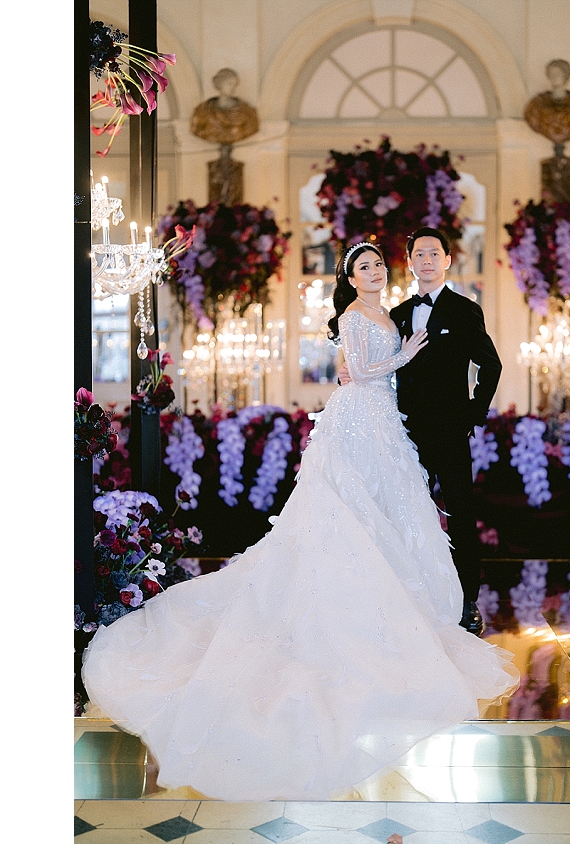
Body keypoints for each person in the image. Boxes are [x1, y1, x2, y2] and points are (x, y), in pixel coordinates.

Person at [80, 241, 518, 802]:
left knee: (399, 518)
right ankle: (351, 611)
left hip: (396, 425)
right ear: (350, 277)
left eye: (381, 264)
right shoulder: (361, 315)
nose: (376, 271)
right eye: (366, 266)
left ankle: (438, 607)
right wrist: (400, 358)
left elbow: (446, 365)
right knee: (347, 516)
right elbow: (359, 371)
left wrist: (449, 401)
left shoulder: (400, 311)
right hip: (362, 421)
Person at [340, 228, 502, 635]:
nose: (426, 260)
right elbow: (374, 361)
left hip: (449, 432)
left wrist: (470, 416)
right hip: (402, 432)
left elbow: (491, 365)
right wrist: (348, 373)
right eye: (419, 254)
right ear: (409, 262)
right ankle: (413, 597)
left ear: (447, 259)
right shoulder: (396, 314)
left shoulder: (465, 310)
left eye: (435, 253)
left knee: (461, 515)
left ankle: (467, 601)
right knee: (405, 514)